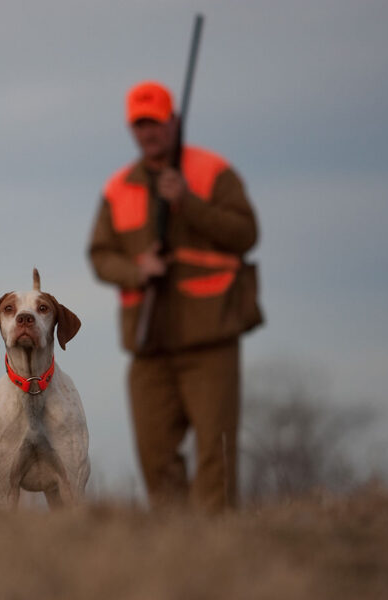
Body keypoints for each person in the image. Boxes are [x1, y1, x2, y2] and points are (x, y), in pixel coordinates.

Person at [88, 80, 262, 513]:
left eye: (156, 122)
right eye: (139, 124)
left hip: (210, 341)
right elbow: (100, 255)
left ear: (174, 122)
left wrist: (188, 204)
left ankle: (218, 550)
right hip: (149, 345)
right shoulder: (118, 187)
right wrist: (138, 270)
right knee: (155, 457)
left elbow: (246, 234)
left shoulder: (212, 172)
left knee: (215, 456)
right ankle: (176, 550)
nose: (148, 132)